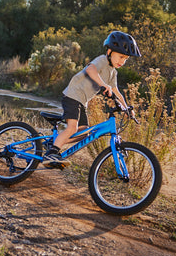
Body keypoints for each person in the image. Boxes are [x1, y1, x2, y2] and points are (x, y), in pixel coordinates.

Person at [43, 31, 140, 169]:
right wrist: (103, 84)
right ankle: (52, 153)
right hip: (73, 95)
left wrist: (126, 108)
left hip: (82, 102)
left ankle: (54, 143)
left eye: (126, 59)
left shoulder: (113, 72)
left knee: (84, 132)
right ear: (110, 51)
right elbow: (90, 70)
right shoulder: (101, 60)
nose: (122, 61)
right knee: (72, 127)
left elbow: (116, 91)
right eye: (120, 56)